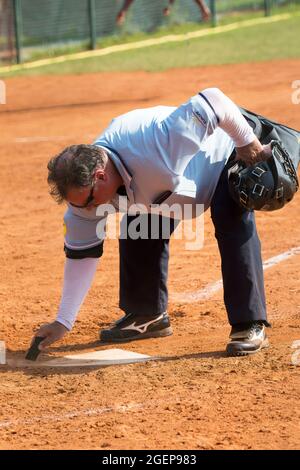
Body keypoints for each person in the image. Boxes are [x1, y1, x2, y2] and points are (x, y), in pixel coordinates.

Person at [31, 87, 298, 357]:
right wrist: (63, 321)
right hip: (167, 192)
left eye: (89, 201)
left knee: (229, 216)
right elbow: (81, 255)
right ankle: (147, 315)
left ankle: (249, 323)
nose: (88, 209)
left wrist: (247, 143)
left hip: (222, 154)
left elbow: (213, 100)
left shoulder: (158, 144)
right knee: (138, 224)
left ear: (100, 176)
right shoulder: (84, 199)